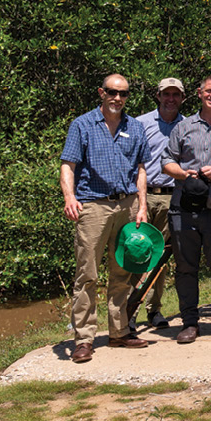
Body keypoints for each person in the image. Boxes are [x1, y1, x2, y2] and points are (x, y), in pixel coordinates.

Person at [60, 74, 153, 362]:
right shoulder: (82, 125)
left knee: (124, 270)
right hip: (93, 206)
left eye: (123, 94)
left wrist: (142, 205)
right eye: (112, 92)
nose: (117, 98)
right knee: (87, 273)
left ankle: (119, 332)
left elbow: (140, 169)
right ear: (101, 92)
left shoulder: (135, 127)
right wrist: (69, 198)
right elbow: (68, 164)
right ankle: (84, 339)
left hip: (126, 205)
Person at [162, 75, 211, 344]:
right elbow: (167, 160)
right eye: (208, 91)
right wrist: (184, 174)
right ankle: (189, 322)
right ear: (199, 93)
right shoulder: (183, 126)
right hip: (184, 207)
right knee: (186, 266)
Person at [133, 77, 185, 330]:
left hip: (172, 195)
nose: (171, 99)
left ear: (183, 98)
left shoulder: (187, 125)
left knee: (160, 256)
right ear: (158, 96)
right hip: (142, 195)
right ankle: (129, 309)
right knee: (136, 251)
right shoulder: (139, 123)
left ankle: (154, 310)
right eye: (167, 94)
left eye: (176, 95)